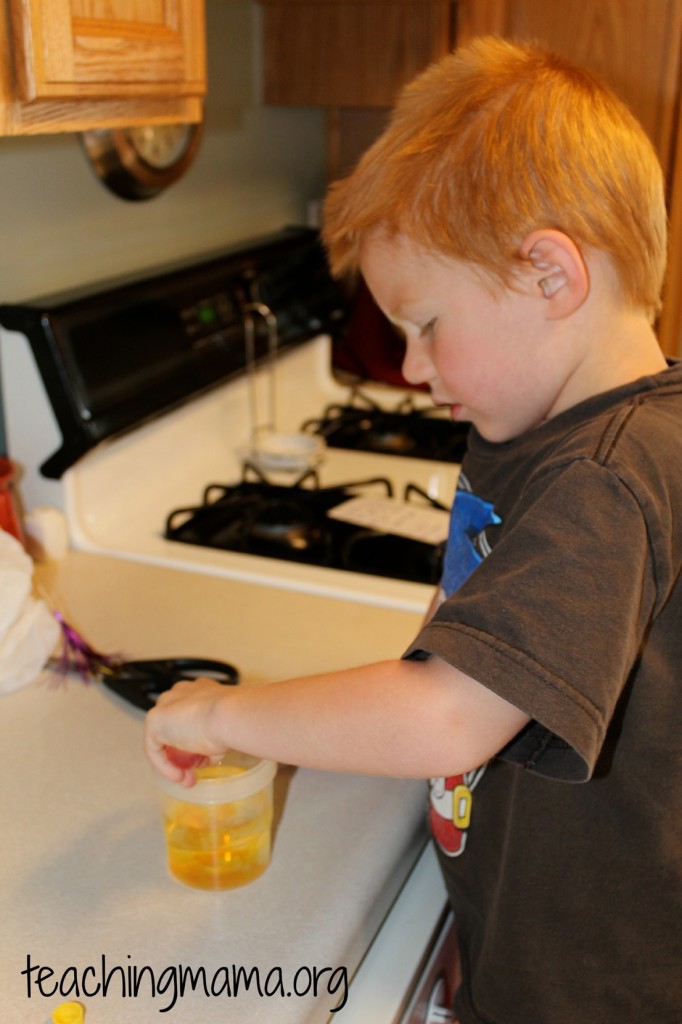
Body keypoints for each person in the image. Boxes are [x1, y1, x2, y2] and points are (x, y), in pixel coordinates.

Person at [144, 36, 682, 1023]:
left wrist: (222, 714)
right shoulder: (540, 434)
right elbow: (465, 641)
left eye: (425, 324)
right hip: (534, 945)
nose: (410, 365)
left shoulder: (606, 478)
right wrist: (482, 934)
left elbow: (448, 714)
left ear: (548, 276)